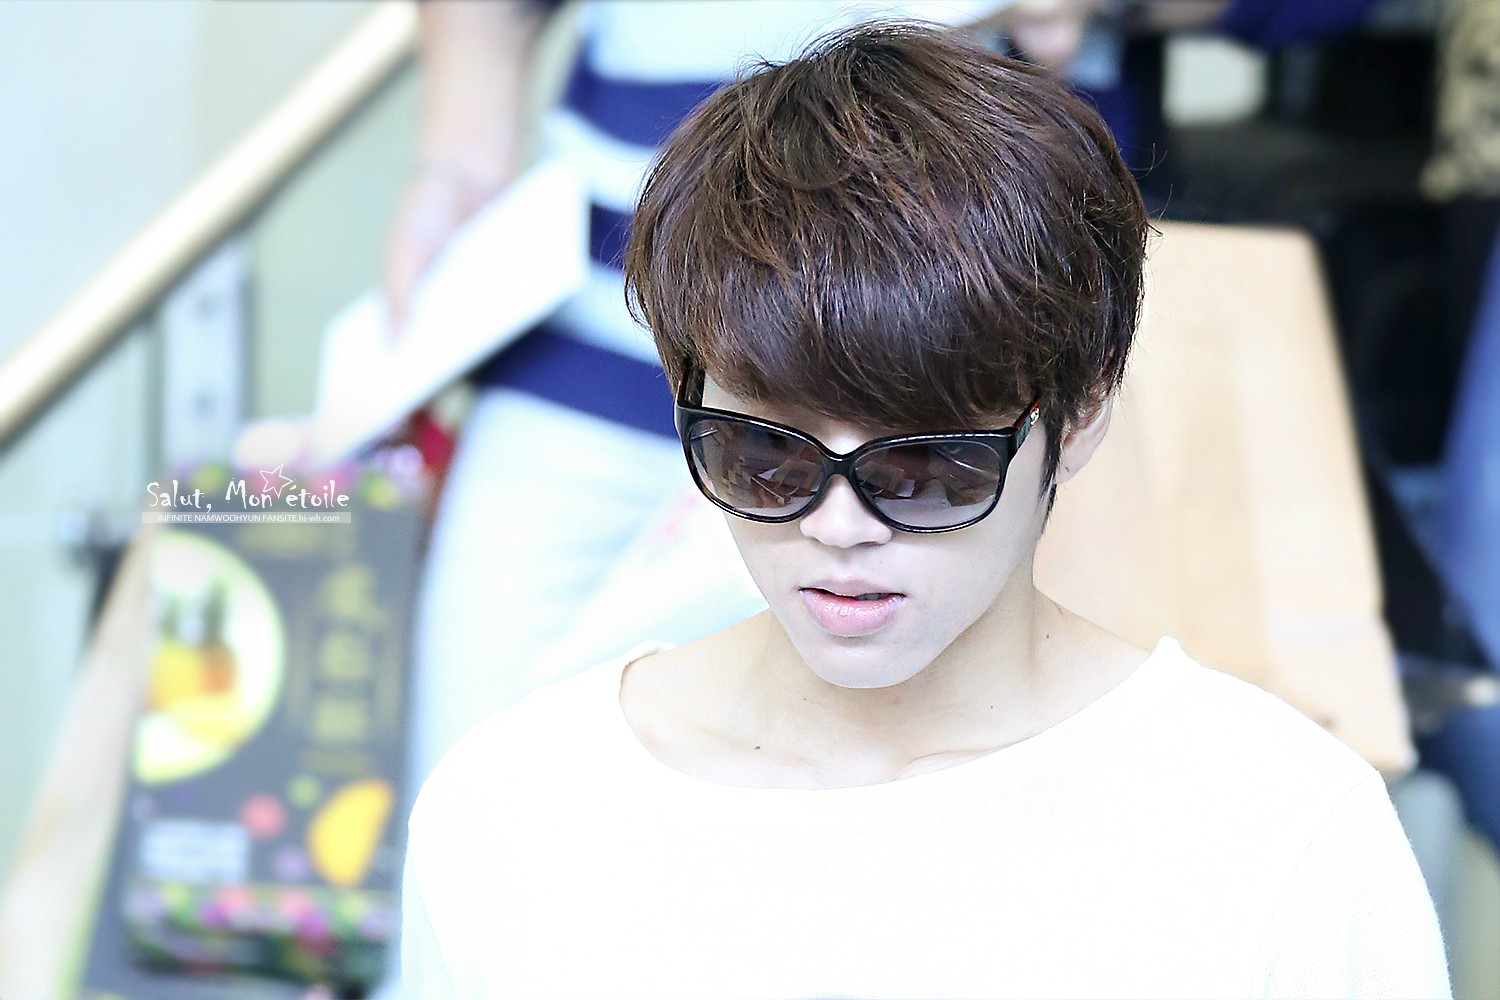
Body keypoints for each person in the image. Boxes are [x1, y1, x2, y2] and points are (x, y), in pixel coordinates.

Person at [399, 23, 1450, 998]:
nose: (838, 527)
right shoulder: (520, 805)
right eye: (765, 458)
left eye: (924, 470)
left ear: (1082, 412)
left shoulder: (1275, 826)